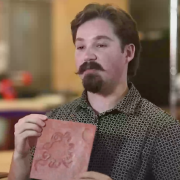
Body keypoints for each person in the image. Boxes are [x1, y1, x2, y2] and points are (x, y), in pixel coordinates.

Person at [8, 3, 180, 180]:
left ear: (128, 52)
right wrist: (21, 157)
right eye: (81, 47)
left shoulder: (164, 132)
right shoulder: (55, 121)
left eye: (100, 45)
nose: (88, 56)